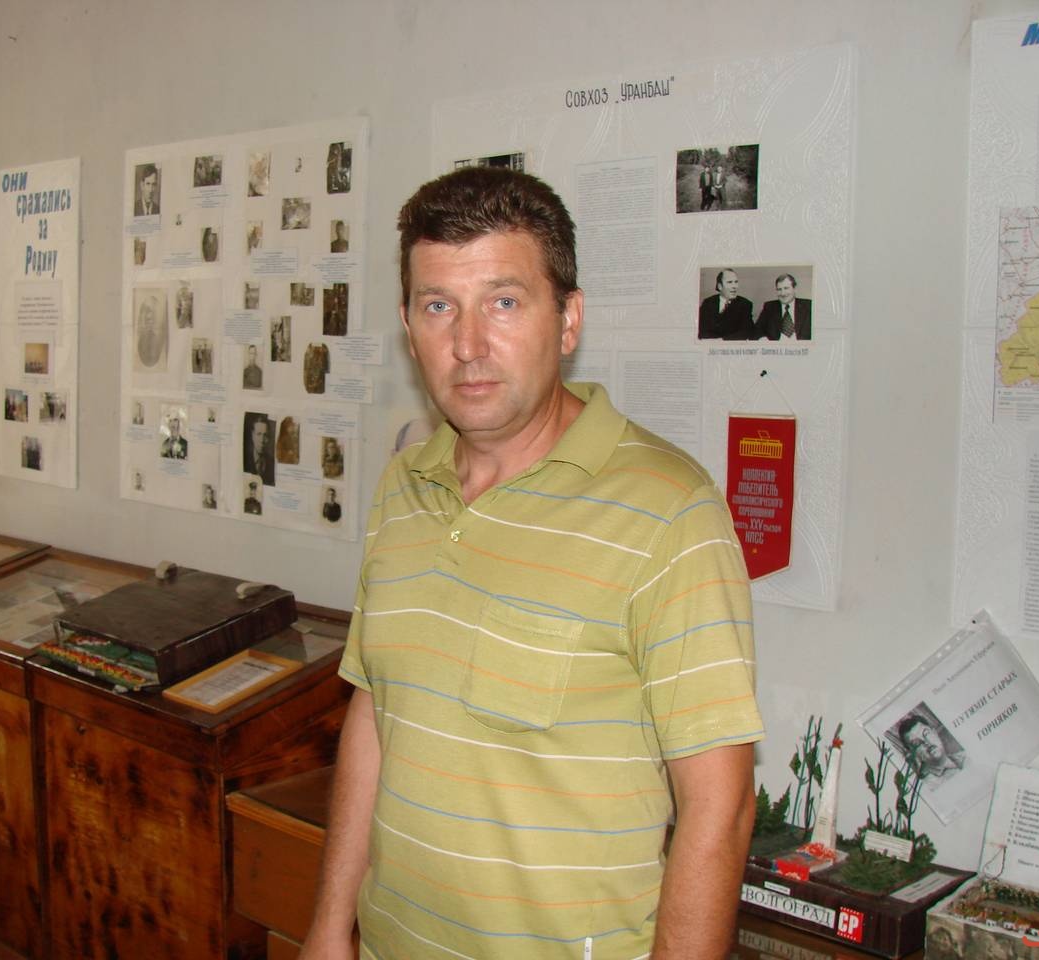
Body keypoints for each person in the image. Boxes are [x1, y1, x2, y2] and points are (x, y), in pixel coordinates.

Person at [299, 167, 761, 960]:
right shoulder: (404, 486)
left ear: (568, 319)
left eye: (504, 302)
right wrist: (328, 926)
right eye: (438, 306)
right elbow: (377, 714)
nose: (468, 345)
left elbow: (720, 810)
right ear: (409, 326)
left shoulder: (669, 510)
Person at [896, 712, 964, 782]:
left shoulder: (963, 756)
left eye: (926, 734)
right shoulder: (928, 783)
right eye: (916, 743)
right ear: (912, 752)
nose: (926, 742)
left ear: (934, 732)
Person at [698, 268, 754, 339]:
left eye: (736, 282)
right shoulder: (708, 303)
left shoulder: (745, 304)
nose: (734, 286)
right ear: (720, 286)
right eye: (729, 282)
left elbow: (746, 332)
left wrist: (722, 341)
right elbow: (701, 330)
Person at [753, 273, 812, 341]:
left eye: (786, 288)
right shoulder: (769, 307)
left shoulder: (809, 305)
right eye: (779, 289)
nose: (783, 293)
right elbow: (756, 331)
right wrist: (762, 338)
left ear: (794, 289)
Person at [243, 414, 275, 485]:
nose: (262, 440)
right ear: (252, 435)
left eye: (265, 435)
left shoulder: (272, 463)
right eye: (259, 434)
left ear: (269, 438)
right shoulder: (244, 459)